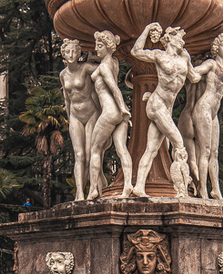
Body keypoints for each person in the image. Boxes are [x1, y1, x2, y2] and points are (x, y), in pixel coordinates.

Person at [129, 23, 193, 197]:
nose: (182, 41)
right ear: (170, 39)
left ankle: (139, 187)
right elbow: (135, 52)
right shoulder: (159, 55)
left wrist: (214, 65)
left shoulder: (184, 57)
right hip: (156, 104)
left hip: (167, 108)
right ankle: (181, 192)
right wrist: (147, 29)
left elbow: (193, 77)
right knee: (179, 144)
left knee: (151, 149)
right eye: (179, 37)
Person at [182, 31, 223, 203]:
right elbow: (195, 74)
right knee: (204, 151)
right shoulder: (211, 64)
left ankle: (216, 190)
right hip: (203, 108)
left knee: (214, 152)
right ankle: (203, 189)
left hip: (213, 112)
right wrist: (185, 59)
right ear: (216, 49)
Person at [86, 29, 134, 199]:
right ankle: (128, 185)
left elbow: (114, 89)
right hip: (119, 114)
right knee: (121, 150)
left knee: (95, 149)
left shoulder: (104, 67)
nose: (96, 49)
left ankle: (93, 190)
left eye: (99, 46)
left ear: (107, 47)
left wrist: (122, 108)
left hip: (110, 111)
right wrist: (124, 113)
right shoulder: (113, 62)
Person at [59, 38, 102, 201]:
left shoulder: (85, 68)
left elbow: (104, 68)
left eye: (74, 52)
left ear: (78, 53)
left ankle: (93, 189)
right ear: (63, 53)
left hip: (91, 113)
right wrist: (69, 118)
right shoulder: (63, 74)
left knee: (90, 153)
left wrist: (96, 56)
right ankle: (79, 193)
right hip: (75, 116)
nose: (71, 55)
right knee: (79, 155)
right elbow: (66, 99)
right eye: (67, 52)